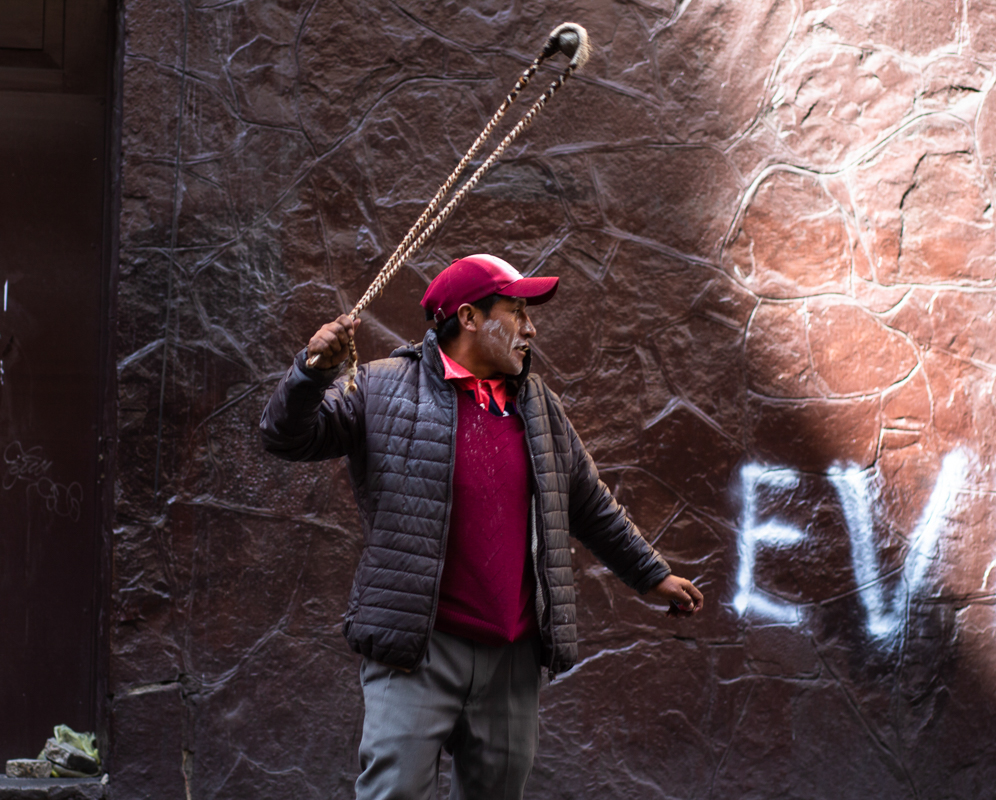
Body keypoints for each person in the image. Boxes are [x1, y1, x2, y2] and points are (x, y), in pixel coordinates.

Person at [260, 253, 704, 800]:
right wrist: (310, 373)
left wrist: (651, 576)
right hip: (418, 650)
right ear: (469, 317)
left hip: (512, 657)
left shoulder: (540, 407)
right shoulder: (380, 388)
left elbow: (588, 504)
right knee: (392, 793)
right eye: (516, 312)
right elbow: (286, 437)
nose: (531, 328)